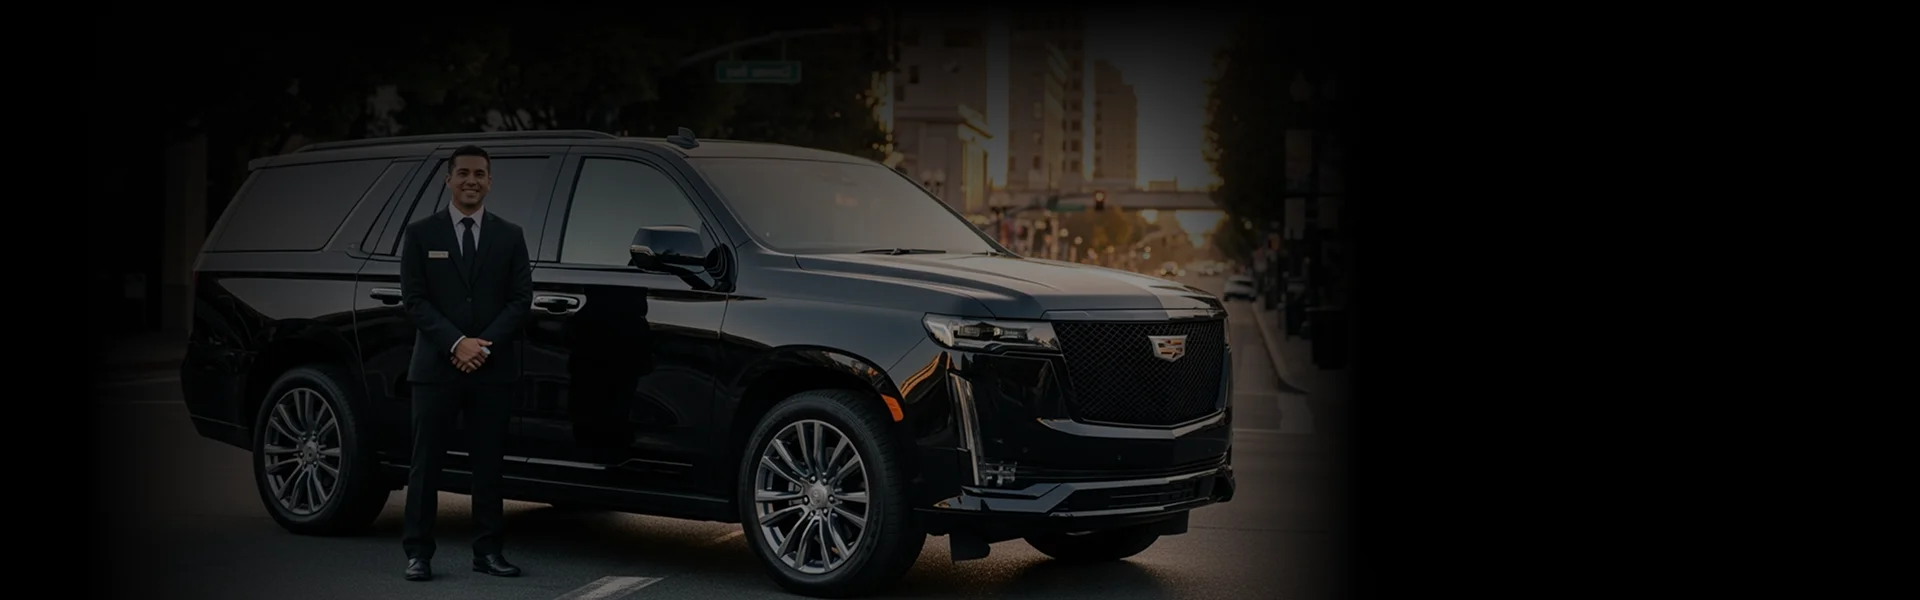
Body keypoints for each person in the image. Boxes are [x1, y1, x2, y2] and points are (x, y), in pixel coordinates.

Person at [397, 145, 533, 582]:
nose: (471, 181)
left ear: (490, 182)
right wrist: (456, 343)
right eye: (463, 174)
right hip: (435, 368)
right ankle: (418, 553)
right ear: (448, 179)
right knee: (426, 464)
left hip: (492, 369)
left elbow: (520, 300)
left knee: (488, 464)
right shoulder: (421, 234)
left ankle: (488, 552)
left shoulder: (510, 235)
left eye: (480, 174)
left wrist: (482, 346)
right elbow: (415, 301)